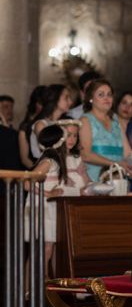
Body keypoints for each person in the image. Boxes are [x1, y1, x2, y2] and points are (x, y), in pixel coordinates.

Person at [25, 124, 89, 277]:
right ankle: (36, 290)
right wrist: (49, 193)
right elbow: (27, 183)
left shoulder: (55, 160)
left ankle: (40, 290)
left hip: (48, 207)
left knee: (47, 249)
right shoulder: (49, 161)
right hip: (41, 207)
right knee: (44, 250)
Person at [78, 79, 132, 182]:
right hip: (94, 179)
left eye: (109, 94)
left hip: (118, 178)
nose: (106, 98)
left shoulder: (115, 119)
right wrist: (115, 163)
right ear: (91, 98)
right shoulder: (85, 120)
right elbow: (85, 155)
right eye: (101, 95)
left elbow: (127, 152)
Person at [30, 84, 73, 160]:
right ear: (55, 99)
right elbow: (48, 152)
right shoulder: (41, 124)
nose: (71, 102)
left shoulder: (65, 122)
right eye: (66, 98)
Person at [18, 86, 45, 169]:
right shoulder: (25, 126)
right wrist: (39, 171)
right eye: (41, 103)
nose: (44, 107)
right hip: (35, 171)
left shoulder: (47, 122)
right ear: (34, 103)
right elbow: (25, 159)